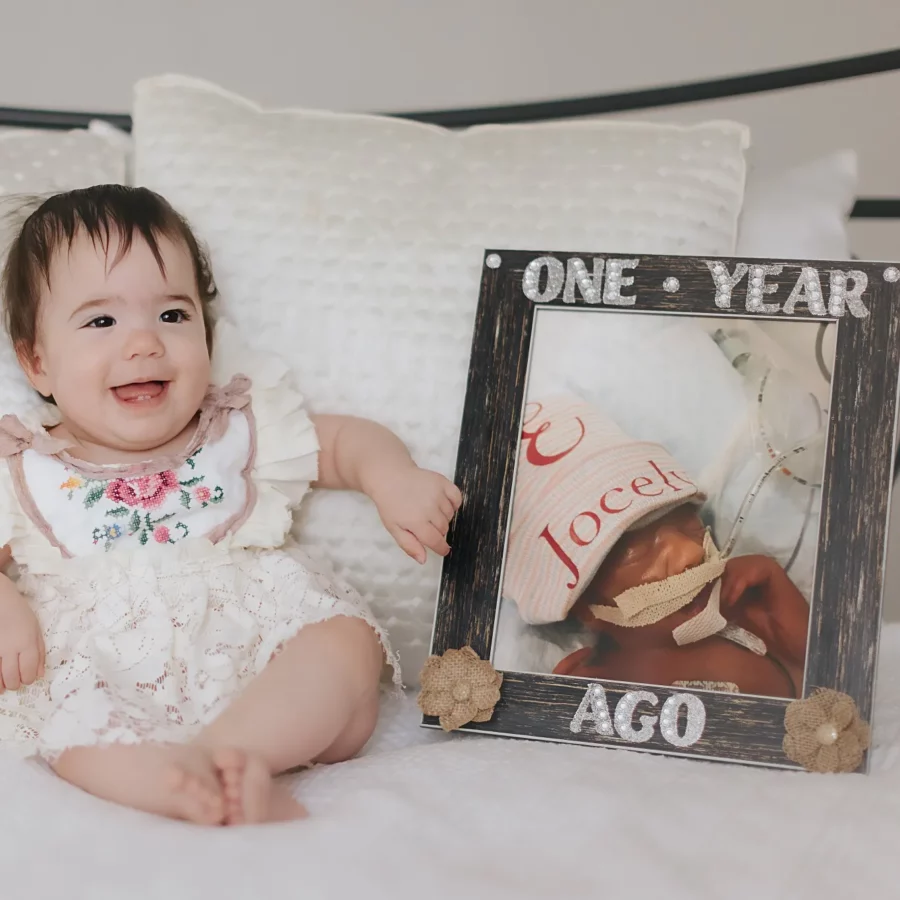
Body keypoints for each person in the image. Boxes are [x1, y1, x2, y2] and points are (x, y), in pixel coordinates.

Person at [0, 185, 462, 826]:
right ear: (36, 362)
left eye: (172, 315)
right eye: (101, 321)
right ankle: (174, 782)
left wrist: (393, 476)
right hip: (109, 667)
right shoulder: (24, 465)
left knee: (343, 641)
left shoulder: (237, 429)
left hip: (257, 653)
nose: (144, 343)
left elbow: (341, 441)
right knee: (67, 725)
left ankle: (226, 757)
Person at [502, 394, 809, 699]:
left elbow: (829, 682)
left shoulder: (746, 615)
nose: (690, 553)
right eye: (642, 551)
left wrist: (777, 592)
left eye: (687, 524)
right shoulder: (596, 680)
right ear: (583, 607)